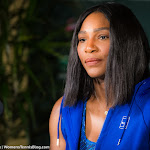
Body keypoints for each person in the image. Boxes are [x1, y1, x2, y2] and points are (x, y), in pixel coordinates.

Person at [49, 2, 150, 150]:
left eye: (102, 37)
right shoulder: (62, 110)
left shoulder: (146, 107)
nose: (89, 47)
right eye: (82, 39)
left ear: (126, 42)